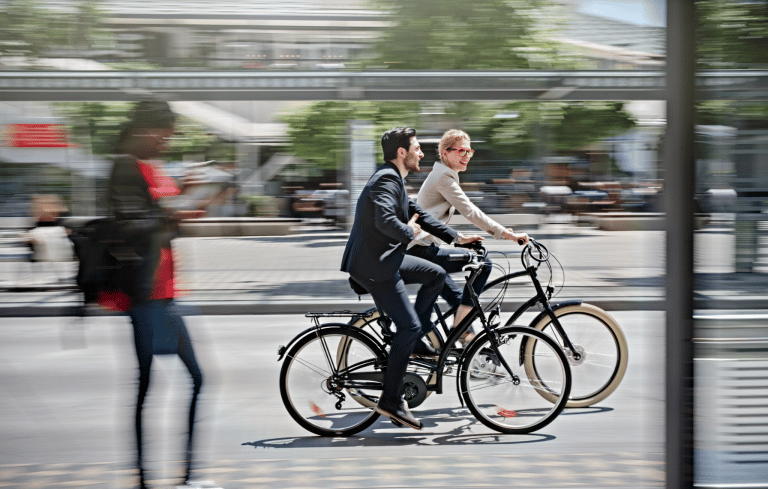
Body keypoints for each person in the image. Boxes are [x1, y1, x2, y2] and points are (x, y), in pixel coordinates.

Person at [104, 100, 220, 489]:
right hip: (145, 295)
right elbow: (133, 225)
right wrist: (174, 212)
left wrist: (189, 201)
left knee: (196, 379)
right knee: (149, 386)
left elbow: (164, 226)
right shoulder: (124, 168)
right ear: (144, 131)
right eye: (164, 133)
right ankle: (147, 479)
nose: (168, 140)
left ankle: (184, 477)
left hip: (167, 294)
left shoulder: (152, 168)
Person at [340, 127, 480, 430]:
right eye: (416, 148)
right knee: (409, 325)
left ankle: (415, 342)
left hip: (384, 259)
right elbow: (386, 220)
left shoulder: (396, 180)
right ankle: (391, 399)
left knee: (436, 274)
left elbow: (422, 215)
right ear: (401, 153)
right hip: (374, 266)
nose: (420, 153)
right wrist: (410, 232)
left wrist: (456, 237)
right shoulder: (385, 180)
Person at [407, 129, 529, 345]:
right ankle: (457, 332)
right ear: (445, 153)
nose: (466, 156)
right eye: (461, 151)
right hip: (421, 250)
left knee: (457, 298)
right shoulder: (443, 177)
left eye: (469, 151)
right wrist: (507, 234)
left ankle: (463, 342)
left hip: (423, 248)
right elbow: (470, 211)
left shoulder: (443, 175)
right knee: (483, 264)